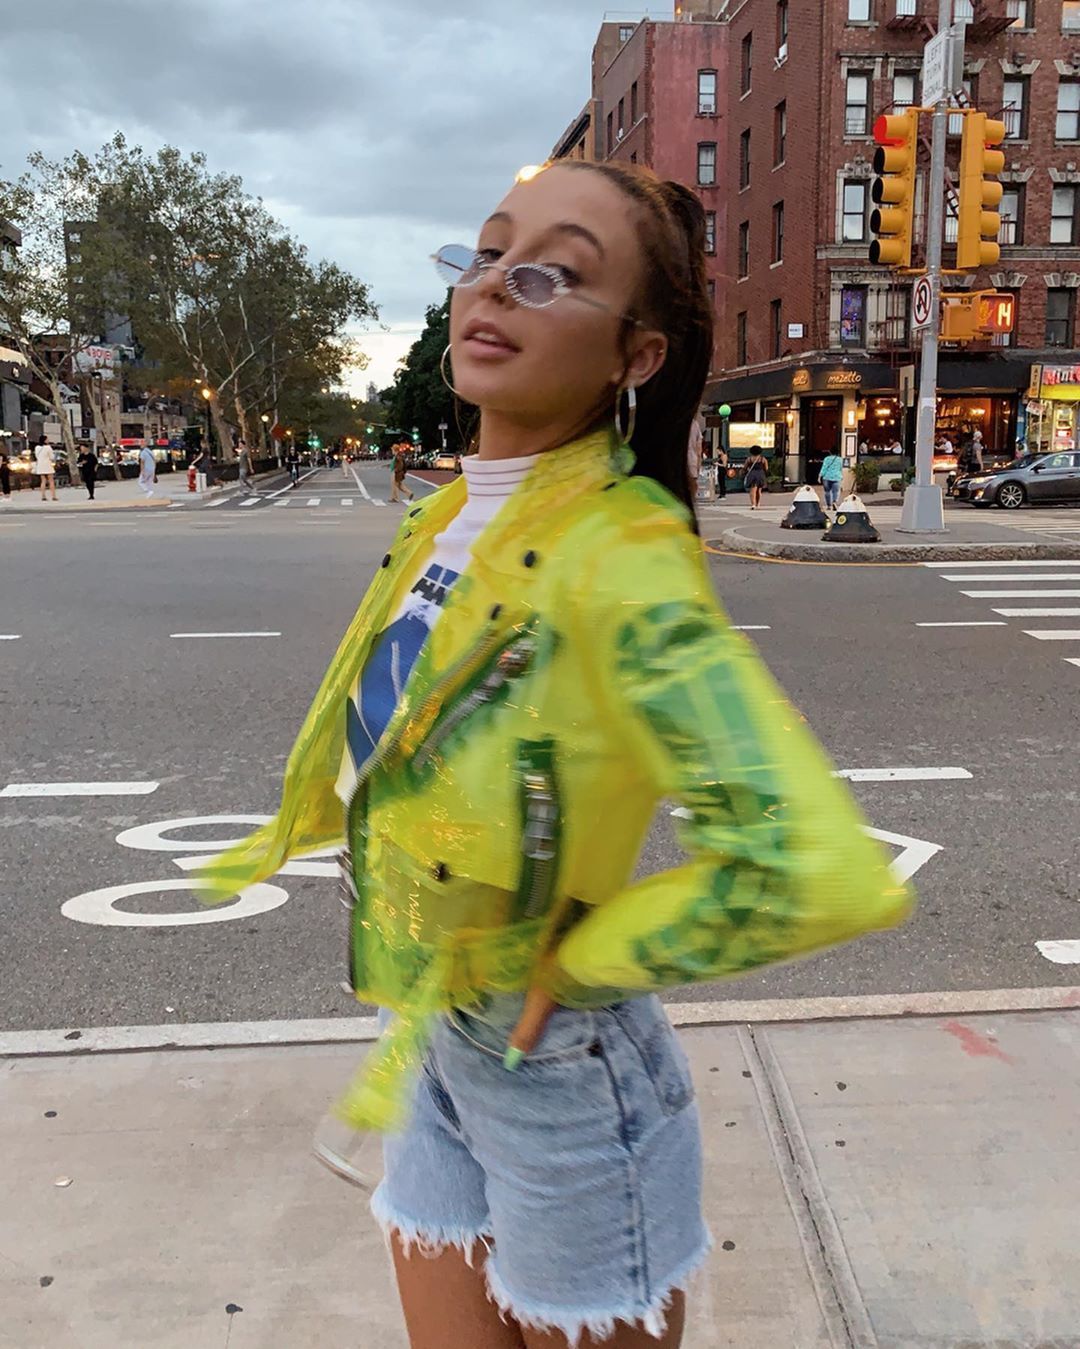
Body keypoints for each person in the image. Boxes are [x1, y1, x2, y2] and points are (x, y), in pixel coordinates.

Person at [198, 161, 909, 1349]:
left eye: (552, 274)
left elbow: (813, 868)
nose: (494, 289)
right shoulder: (445, 512)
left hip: (563, 1069)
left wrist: (587, 955)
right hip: (430, 1031)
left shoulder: (619, 553)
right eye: (485, 254)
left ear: (636, 355)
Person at [34, 436, 58, 502]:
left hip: (40, 465)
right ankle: (53, 496)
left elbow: (36, 456)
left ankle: (43, 496)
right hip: (47, 465)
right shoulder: (48, 447)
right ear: (44, 440)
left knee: (43, 481)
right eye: (47, 439)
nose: (48, 440)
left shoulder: (37, 448)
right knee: (51, 480)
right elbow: (52, 457)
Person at [744, 445, 768, 510]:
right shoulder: (763, 459)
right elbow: (766, 468)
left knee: (752, 490)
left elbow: (745, 467)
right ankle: (758, 503)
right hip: (760, 474)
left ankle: (753, 504)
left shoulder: (749, 459)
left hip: (752, 474)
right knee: (759, 490)